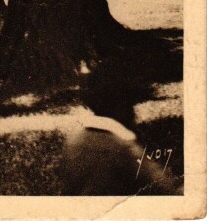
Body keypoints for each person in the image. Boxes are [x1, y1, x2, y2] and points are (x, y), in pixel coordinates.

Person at [61, 60, 182, 195]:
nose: (133, 113)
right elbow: (165, 188)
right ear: (120, 106)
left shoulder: (74, 141)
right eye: (129, 105)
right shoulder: (123, 147)